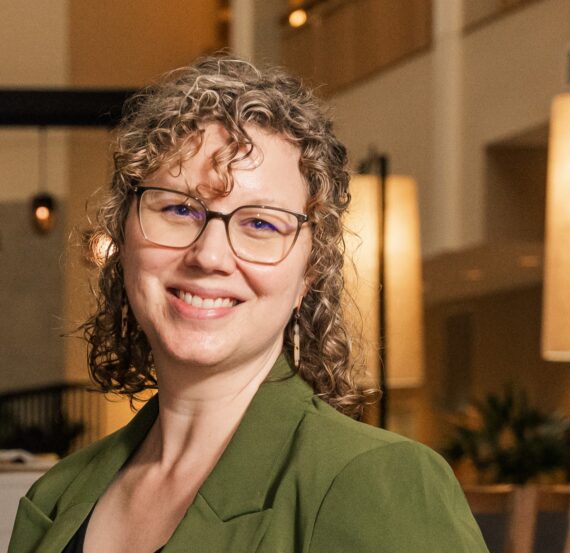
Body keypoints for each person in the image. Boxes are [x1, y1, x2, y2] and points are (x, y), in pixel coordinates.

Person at [9, 55, 489, 553]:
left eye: (261, 223)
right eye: (178, 208)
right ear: (123, 239)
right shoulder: (57, 496)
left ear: (309, 272)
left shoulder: (376, 482)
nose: (209, 255)